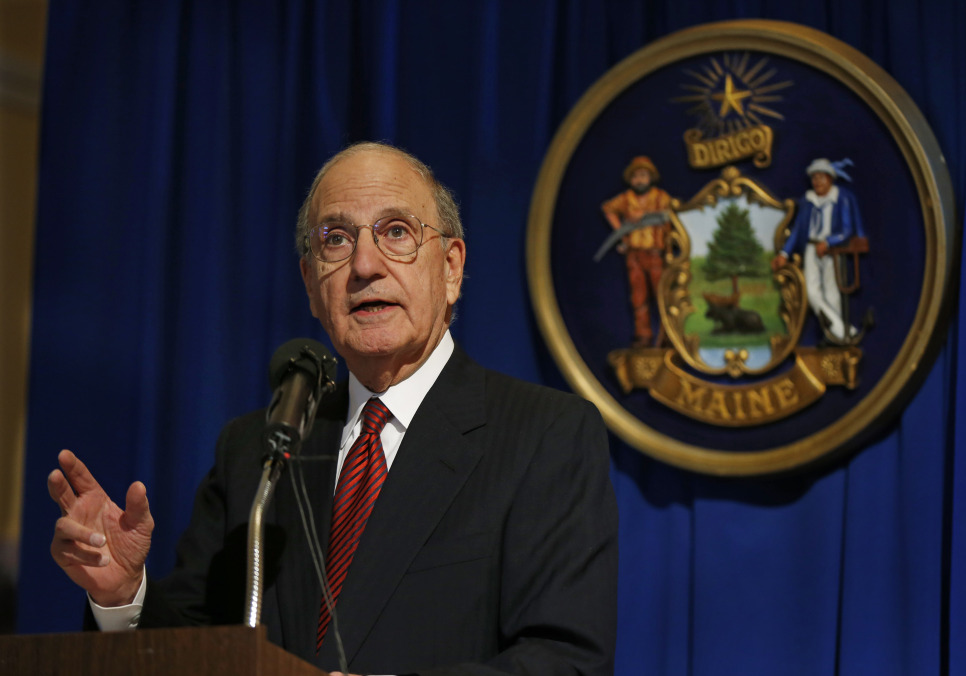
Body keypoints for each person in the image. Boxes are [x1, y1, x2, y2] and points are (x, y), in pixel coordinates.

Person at [48, 142, 618, 675]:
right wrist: (124, 595)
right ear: (310, 283)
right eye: (336, 239)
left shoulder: (545, 436)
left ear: (450, 268)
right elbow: (197, 649)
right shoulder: (258, 451)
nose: (364, 265)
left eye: (396, 232)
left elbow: (565, 661)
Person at [771, 158, 867, 342]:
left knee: (832, 292)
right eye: (814, 178)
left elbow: (847, 229)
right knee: (812, 291)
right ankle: (842, 331)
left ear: (830, 179)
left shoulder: (841, 198)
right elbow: (798, 229)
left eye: (821, 178)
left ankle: (832, 335)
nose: (817, 182)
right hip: (811, 247)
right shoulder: (808, 201)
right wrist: (784, 254)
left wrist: (829, 242)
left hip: (833, 250)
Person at [601, 156, 673, 348]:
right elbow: (608, 208)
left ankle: (667, 334)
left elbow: (673, 213)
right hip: (634, 255)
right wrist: (621, 235)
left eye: (643, 175)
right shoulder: (626, 199)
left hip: (656, 254)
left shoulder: (660, 197)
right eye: (636, 176)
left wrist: (666, 238)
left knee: (662, 295)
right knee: (638, 297)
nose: (639, 180)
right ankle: (643, 334)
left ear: (650, 177)